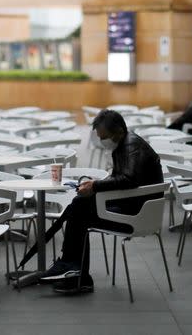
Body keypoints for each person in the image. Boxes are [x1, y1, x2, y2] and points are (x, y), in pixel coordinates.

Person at [42, 109, 164, 295]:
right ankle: (71, 269)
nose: (102, 142)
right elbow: (123, 181)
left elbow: (129, 180)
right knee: (78, 206)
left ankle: (78, 275)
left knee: (80, 213)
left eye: (104, 137)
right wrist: (94, 186)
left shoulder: (132, 146)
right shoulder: (123, 144)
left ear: (118, 132)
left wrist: (96, 186)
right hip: (131, 205)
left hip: (137, 213)